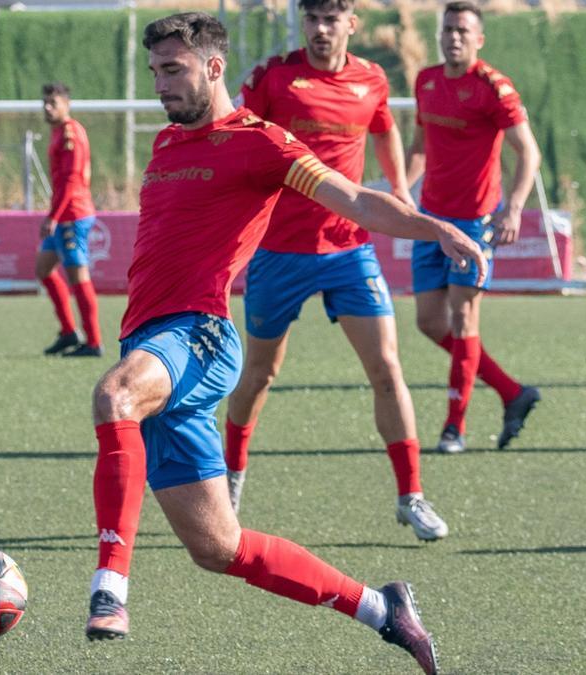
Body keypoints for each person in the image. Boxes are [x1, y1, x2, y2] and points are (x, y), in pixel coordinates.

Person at [82, 14, 488, 674]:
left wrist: (432, 227)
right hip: (154, 342)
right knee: (219, 547)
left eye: (173, 70)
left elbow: (357, 198)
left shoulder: (262, 142)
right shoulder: (164, 145)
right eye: (156, 70)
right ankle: (383, 608)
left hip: (199, 335)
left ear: (213, 68)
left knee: (115, 393)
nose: (161, 84)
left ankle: (110, 587)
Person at [222, 0, 444, 540]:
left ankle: (411, 494)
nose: (321, 30)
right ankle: (230, 476)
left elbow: (385, 128)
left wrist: (398, 187)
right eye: (312, 19)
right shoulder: (274, 77)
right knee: (259, 376)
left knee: (387, 369)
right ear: (304, 23)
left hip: (349, 251)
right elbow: (233, 128)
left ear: (352, 25)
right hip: (279, 252)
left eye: (331, 19)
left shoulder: (372, 79)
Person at [405, 1, 542, 455]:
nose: (454, 37)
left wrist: (515, 207)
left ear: (478, 39)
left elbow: (529, 152)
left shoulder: (494, 87)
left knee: (463, 318)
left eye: (463, 30)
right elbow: (418, 149)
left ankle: (453, 428)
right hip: (431, 218)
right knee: (429, 322)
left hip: (476, 221)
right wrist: (400, 193)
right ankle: (511, 391)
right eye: (448, 29)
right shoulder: (426, 81)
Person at [37, 82, 102, 358]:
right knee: (44, 268)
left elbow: (71, 180)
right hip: (62, 213)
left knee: (78, 276)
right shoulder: (57, 132)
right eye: (45, 103)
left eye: (53, 103)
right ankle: (68, 332)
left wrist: (54, 216)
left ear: (67, 104)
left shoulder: (70, 134)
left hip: (72, 214)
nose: (48, 108)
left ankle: (94, 342)